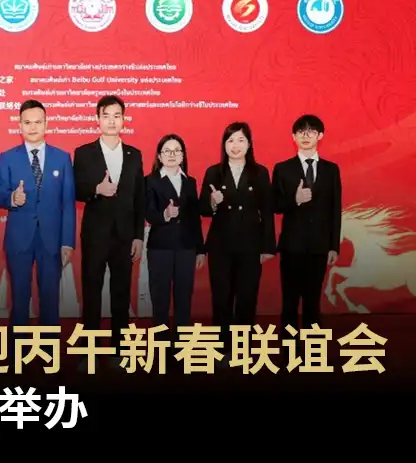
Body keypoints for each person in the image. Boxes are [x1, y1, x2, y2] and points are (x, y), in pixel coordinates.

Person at [72, 95, 146, 356]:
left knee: (121, 294)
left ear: (124, 120)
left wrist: (138, 236)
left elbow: (139, 198)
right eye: (106, 116)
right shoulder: (84, 153)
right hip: (95, 235)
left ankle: (119, 349)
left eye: (117, 116)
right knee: (91, 293)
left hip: (125, 236)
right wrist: (96, 189)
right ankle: (89, 350)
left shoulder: (134, 155)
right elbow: (76, 189)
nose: (112, 121)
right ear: (98, 119)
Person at [0, 100, 75, 333]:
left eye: (38, 122)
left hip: (52, 240)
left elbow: (68, 203)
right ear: (19, 125)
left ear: (46, 124)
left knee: (50, 301)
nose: (33, 127)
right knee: (19, 300)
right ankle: (17, 351)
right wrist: (12, 198)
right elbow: (0, 195)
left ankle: (48, 351)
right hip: (19, 239)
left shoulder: (62, 158)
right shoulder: (8, 157)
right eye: (27, 122)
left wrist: (67, 242)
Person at [200, 122, 276, 348]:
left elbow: (267, 211)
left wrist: (267, 247)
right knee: (221, 298)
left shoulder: (260, 172)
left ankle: (242, 347)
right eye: (231, 140)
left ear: (249, 144)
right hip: (220, 246)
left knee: (247, 298)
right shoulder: (214, 172)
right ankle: (222, 347)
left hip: (250, 245)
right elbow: (202, 209)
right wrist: (212, 202)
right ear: (224, 145)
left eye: (241, 140)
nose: (235, 145)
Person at [272, 114, 342, 336]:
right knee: (290, 302)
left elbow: (335, 210)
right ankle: (289, 350)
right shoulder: (283, 168)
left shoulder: (331, 170)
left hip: (320, 246)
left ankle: (314, 350)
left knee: (313, 302)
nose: (305, 135)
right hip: (292, 245)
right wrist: (295, 199)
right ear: (293, 137)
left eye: (311, 131)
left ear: (320, 135)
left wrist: (334, 246)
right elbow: (274, 205)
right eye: (301, 131)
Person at [143, 133, 204, 336]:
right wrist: (165, 214)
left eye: (176, 151)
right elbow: (148, 213)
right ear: (159, 156)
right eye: (167, 151)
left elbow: (195, 218)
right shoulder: (150, 180)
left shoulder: (190, 181)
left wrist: (200, 250)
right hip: (160, 248)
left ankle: (181, 345)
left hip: (186, 248)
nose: (172, 155)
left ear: (183, 155)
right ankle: (160, 346)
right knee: (160, 300)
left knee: (184, 299)